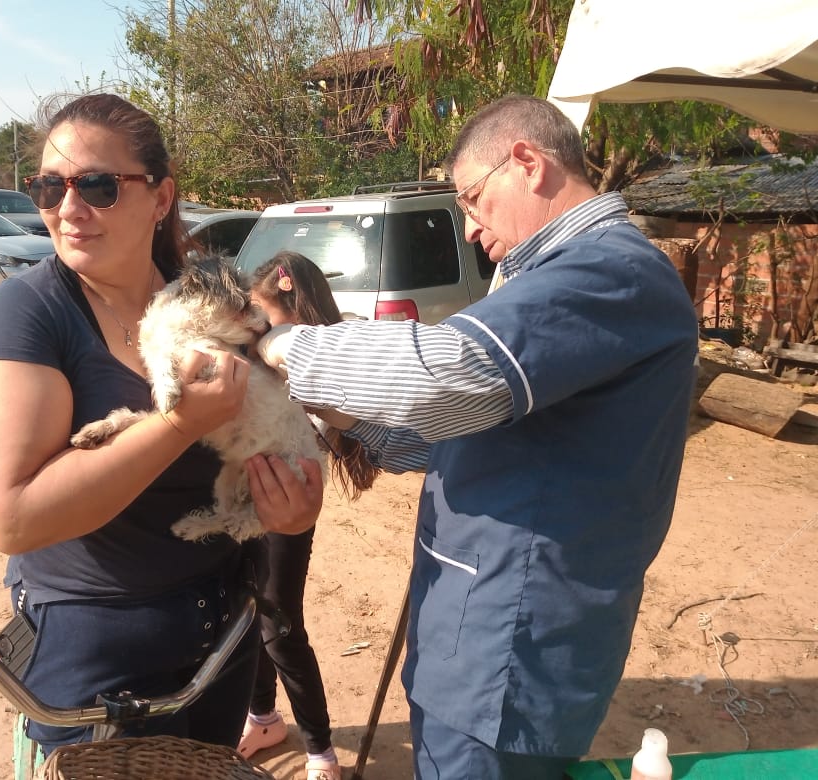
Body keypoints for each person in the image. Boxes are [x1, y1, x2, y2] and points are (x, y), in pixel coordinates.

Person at [257, 95, 699, 780]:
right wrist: (352, 420)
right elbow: (465, 431)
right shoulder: (556, 272)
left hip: (509, 651)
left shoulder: (608, 271)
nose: (468, 228)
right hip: (478, 632)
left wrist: (278, 344)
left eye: (470, 199)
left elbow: (450, 374)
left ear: (526, 162)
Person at [0, 93, 323, 764]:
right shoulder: (29, 312)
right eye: (48, 186)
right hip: (98, 663)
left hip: (223, 640)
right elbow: (11, 517)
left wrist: (292, 511)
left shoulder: (212, 297)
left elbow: (274, 428)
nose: (68, 208)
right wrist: (180, 424)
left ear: (161, 197)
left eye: (96, 185)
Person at [238, 251, 381, 780]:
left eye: (264, 317)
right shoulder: (261, 354)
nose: (257, 331)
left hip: (288, 508)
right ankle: (263, 717)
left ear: (292, 306)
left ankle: (320, 750)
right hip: (244, 503)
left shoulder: (319, 357)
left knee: (278, 625)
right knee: (245, 619)